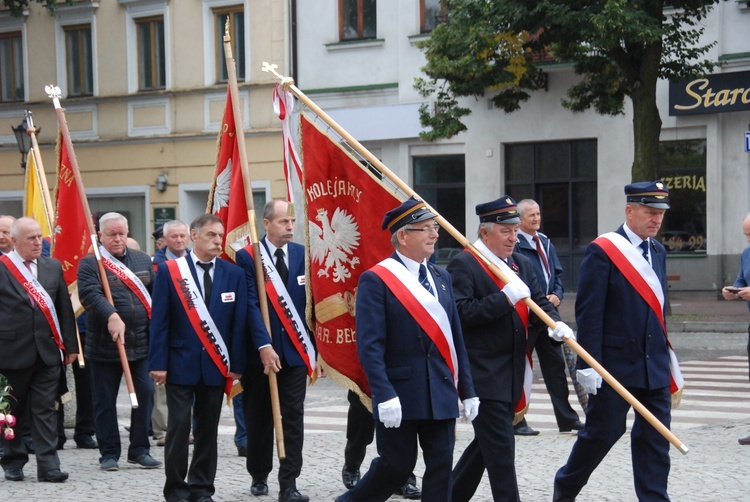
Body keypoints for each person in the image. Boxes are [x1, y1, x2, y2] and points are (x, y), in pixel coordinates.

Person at [335, 198, 479, 502]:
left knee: (441, 467)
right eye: (426, 229)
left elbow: (455, 339)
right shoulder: (377, 279)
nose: (435, 234)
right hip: (400, 393)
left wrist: (467, 389)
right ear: (403, 236)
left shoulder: (442, 278)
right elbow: (370, 345)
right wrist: (383, 393)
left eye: (435, 228)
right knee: (396, 466)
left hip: (439, 389)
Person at [554, 181, 681, 501]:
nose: (656, 219)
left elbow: (659, 310)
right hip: (614, 366)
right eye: (650, 212)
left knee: (655, 440)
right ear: (630, 210)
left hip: (654, 364)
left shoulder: (658, 251)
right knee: (602, 433)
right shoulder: (604, 250)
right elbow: (590, 312)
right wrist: (588, 364)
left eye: (661, 214)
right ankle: (566, 486)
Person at [448, 196, 571, 502]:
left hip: (513, 371)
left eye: (515, 230)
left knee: (486, 446)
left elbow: (540, 302)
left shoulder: (521, 263)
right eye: (506, 231)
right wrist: (503, 299)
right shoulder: (466, 263)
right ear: (485, 232)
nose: (513, 237)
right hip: (483, 373)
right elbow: (461, 313)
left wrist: (556, 325)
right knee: (502, 451)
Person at [149, 214, 247, 502]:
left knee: (207, 431)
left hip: (216, 365)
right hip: (180, 362)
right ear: (194, 235)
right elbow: (160, 321)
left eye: (220, 235)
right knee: (179, 430)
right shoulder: (171, 271)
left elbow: (238, 325)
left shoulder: (233, 274)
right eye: (211, 235)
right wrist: (158, 363)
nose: (218, 240)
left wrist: (237, 365)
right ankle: (177, 490)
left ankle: (202, 489)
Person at [235, 199, 317, 502]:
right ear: (266, 224)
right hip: (261, 356)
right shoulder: (248, 258)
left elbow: (311, 307)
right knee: (259, 418)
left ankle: (289, 482)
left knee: (293, 417)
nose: (290, 227)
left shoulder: (301, 255)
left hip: (295, 354)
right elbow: (250, 304)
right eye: (283, 222)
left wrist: (316, 352)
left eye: (292, 222)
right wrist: (263, 345)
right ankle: (258, 472)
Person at [78, 212, 161, 472]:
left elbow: (155, 296)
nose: (117, 239)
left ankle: (139, 449)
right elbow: (90, 295)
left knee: (145, 395)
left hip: (141, 342)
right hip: (105, 344)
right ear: (100, 235)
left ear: (127, 233)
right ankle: (109, 452)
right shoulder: (91, 263)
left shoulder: (141, 260)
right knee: (104, 401)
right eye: (111, 234)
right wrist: (111, 315)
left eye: (121, 233)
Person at [0, 217, 78, 482]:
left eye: (40, 236)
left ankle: (49, 465)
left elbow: (63, 309)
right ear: (14, 240)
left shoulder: (51, 266)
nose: (38, 242)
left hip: (47, 352)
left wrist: (70, 345)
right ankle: (12, 460)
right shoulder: (2, 267)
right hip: (9, 352)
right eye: (31, 238)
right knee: (11, 410)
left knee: (45, 409)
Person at [513, 199, 583, 436]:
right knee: (521, 367)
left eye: (538, 214)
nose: (536, 219)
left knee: (555, 367)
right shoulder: (515, 245)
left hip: (548, 315)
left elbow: (557, 276)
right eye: (531, 215)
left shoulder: (545, 242)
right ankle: (517, 419)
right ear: (520, 219)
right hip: (527, 315)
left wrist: (557, 295)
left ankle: (567, 418)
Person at [151, 220, 190, 447]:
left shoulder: (196, 261)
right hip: (167, 330)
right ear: (164, 241)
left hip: (193, 331)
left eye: (182, 236)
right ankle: (164, 430)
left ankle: (189, 428)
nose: (179, 240)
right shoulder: (156, 265)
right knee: (163, 387)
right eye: (174, 236)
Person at [341, 390, 422, 498]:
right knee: (362, 418)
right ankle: (352, 465)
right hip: (367, 377)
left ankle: (404, 478)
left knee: (401, 416)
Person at [721, 211, 750, 445]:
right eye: (746, 235)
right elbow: (741, 282)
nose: (748, 240)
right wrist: (731, 291)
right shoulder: (747, 253)